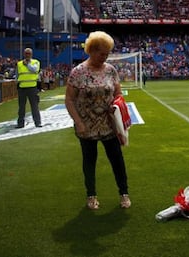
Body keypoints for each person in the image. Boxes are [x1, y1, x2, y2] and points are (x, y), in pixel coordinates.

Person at [65, 31, 131, 210]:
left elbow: (118, 93)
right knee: (89, 161)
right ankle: (91, 196)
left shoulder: (111, 70)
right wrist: (78, 122)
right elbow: (69, 100)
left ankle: (124, 193)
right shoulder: (78, 72)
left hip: (109, 125)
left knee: (117, 160)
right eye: (102, 53)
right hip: (86, 126)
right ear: (91, 51)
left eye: (107, 53)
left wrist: (117, 107)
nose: (105, 57)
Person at [16, 48, 42, 128]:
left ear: (31, 54)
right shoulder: (19, 64)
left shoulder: (36, 62)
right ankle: (20, 124)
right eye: (26, 53)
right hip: (22, 88)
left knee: (34, 106)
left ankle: (37, 123)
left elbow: (35, 70)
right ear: (24, 54)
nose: (27, 55)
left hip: (32, 87)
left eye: (29, 53)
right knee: (21, 107)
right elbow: (17, 75)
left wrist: (27, 64)